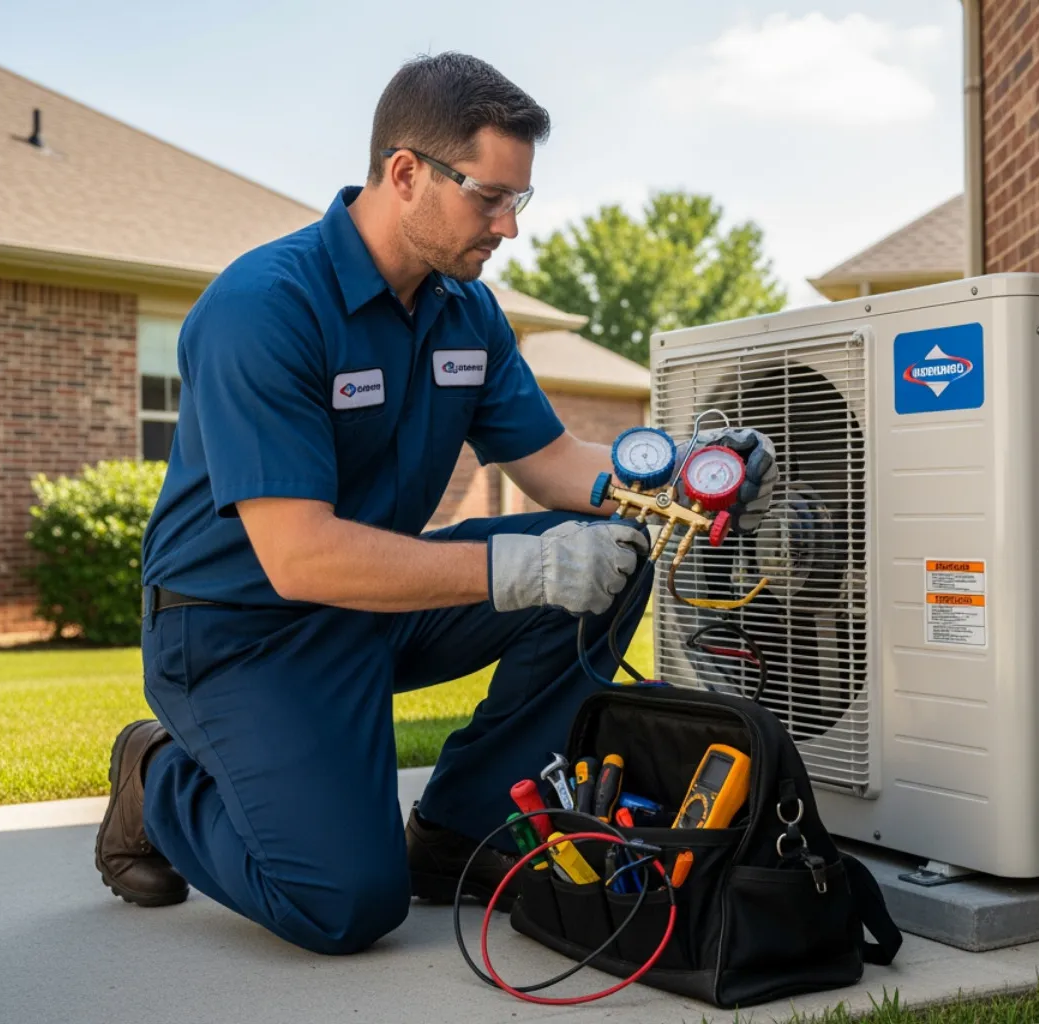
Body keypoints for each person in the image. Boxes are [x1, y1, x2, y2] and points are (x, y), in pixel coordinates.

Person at [93, 52, 776, 956]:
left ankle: (455, 829)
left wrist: (682, 471)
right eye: (489, 197)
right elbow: (300, 557)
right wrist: (518, 569)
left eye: (518, 202)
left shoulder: (467, 312)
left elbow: (553, 462)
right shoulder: (266, 307)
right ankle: (158, 772)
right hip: (238, 632)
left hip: (375, 602)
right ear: (406, 171)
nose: (509, 228)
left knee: (614, 559)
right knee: (341, 905)